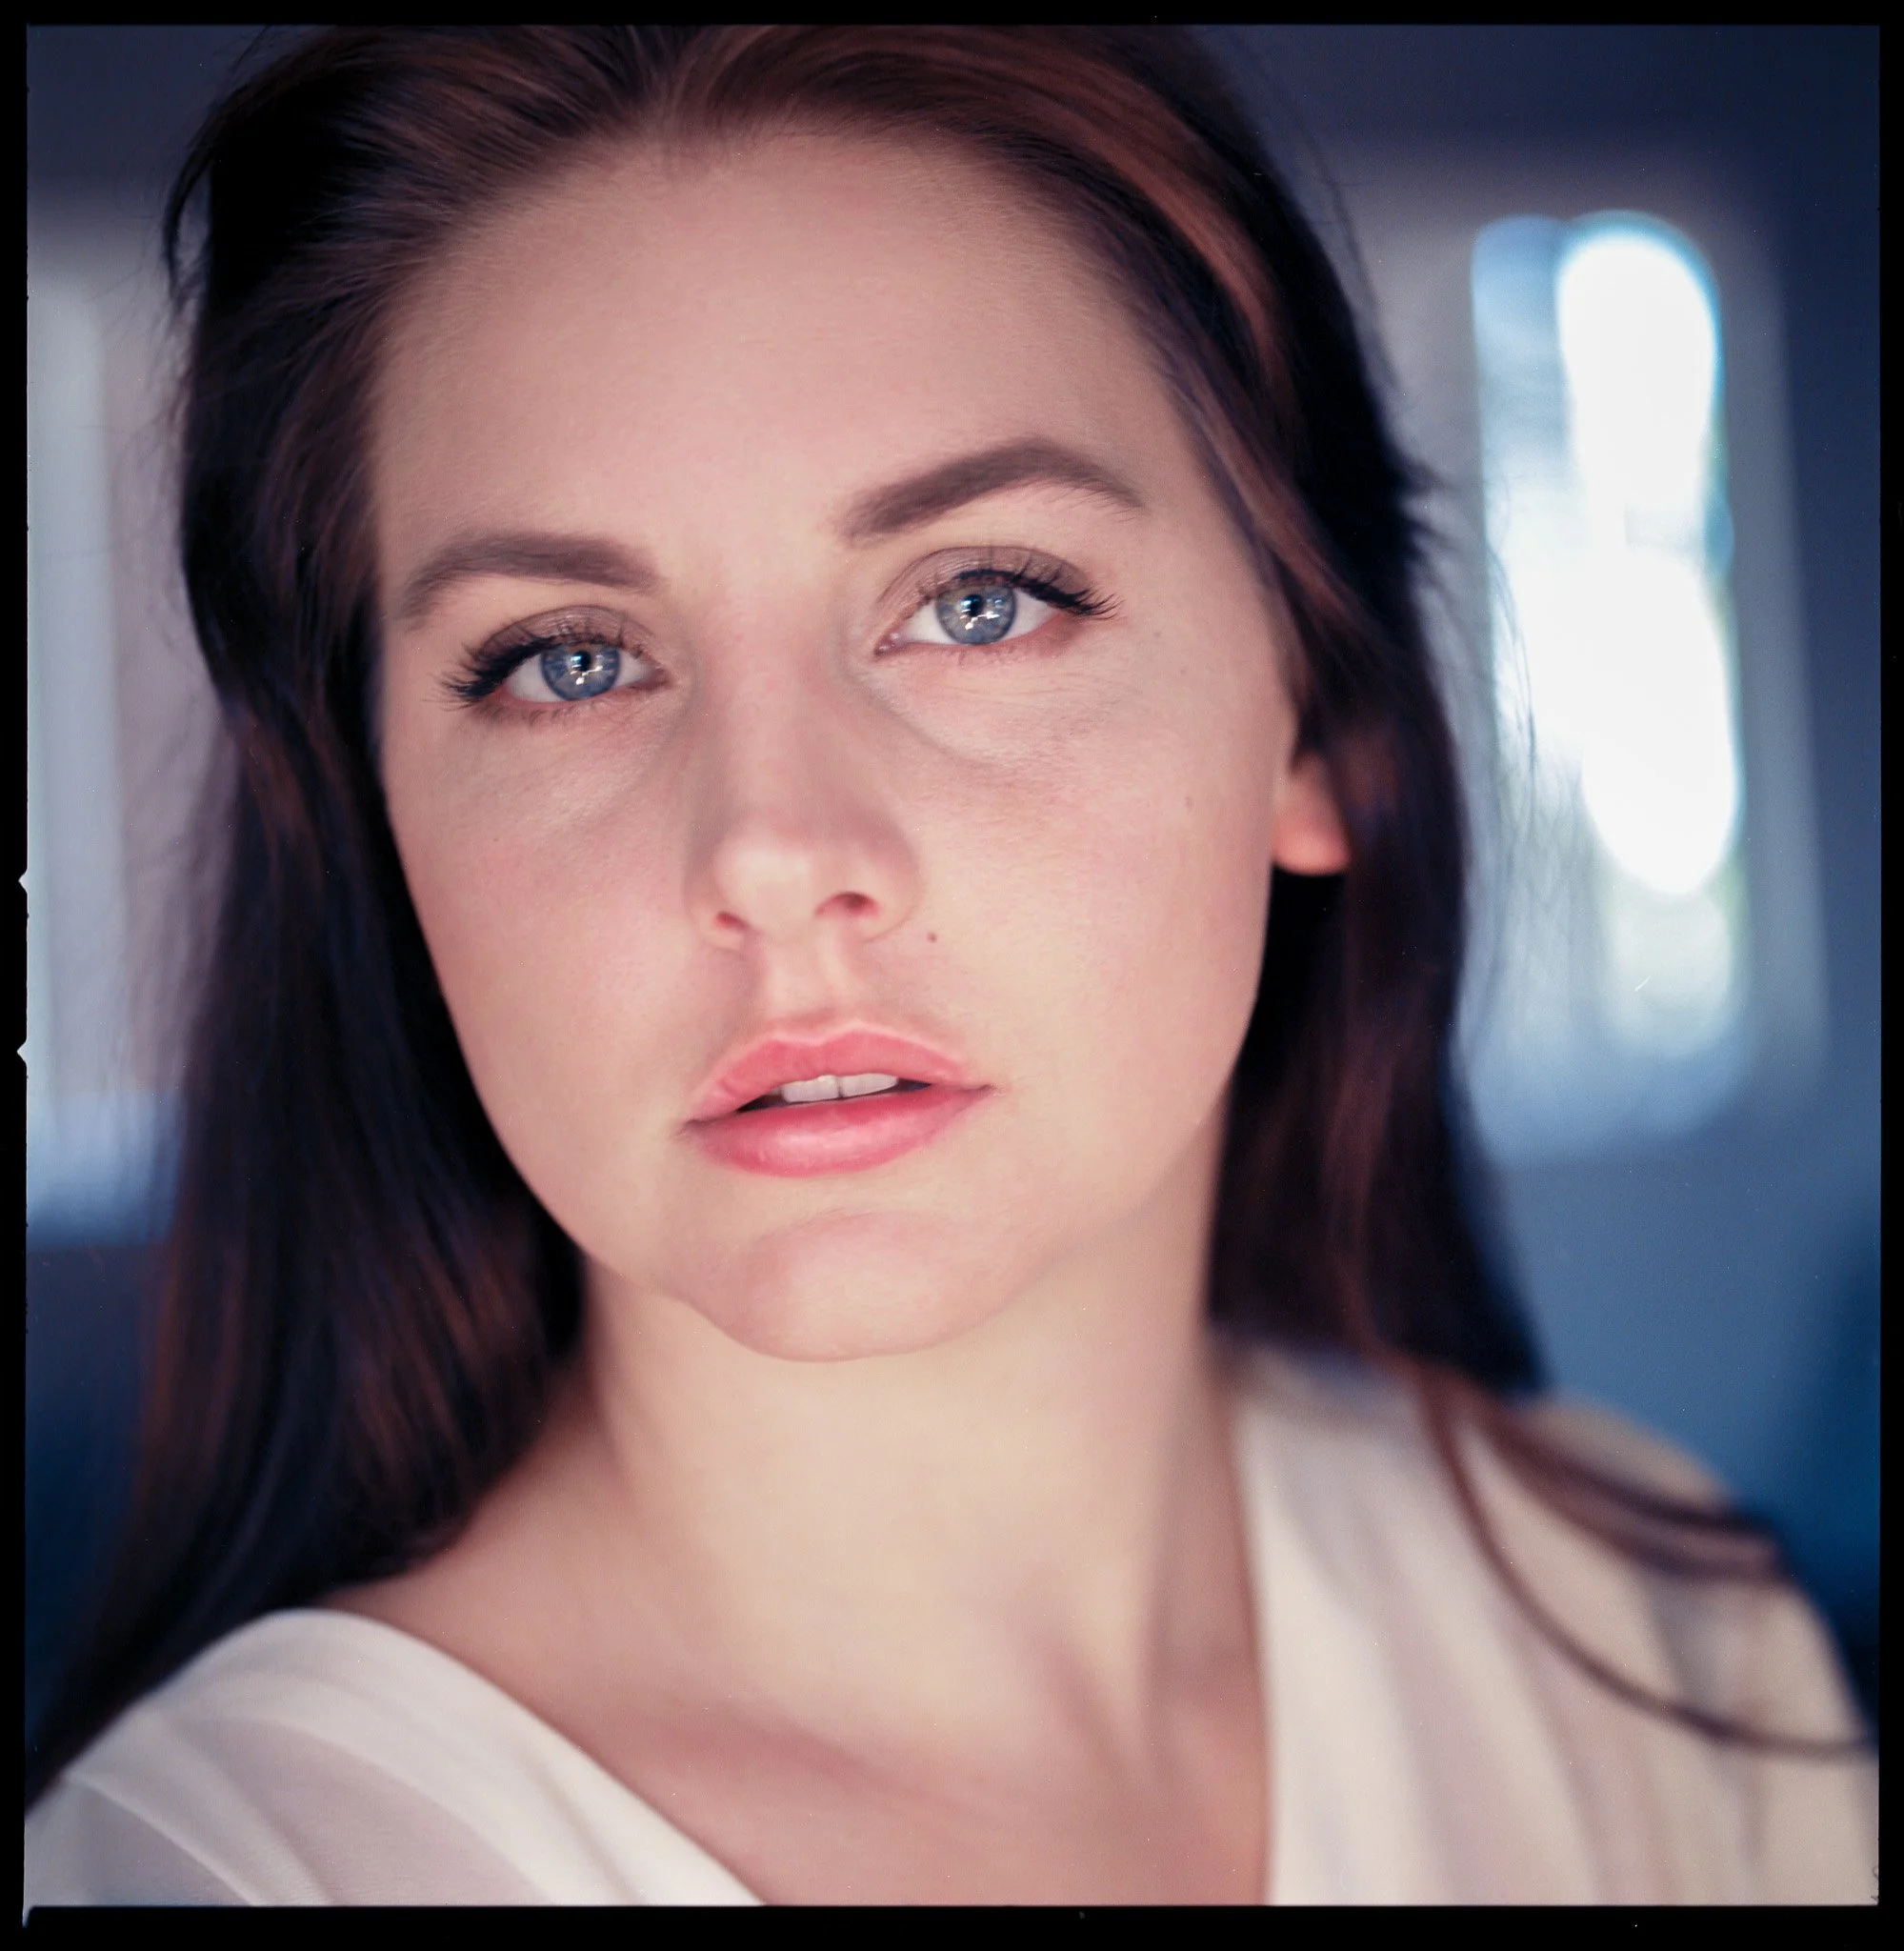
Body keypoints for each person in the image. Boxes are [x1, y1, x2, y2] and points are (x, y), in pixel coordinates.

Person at [23, 26, 1874, 1906]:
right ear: (386, 823)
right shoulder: (218, 1874)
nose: (768, 847)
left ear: (1320, 726)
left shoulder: (1657, 1658)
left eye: (979, 602)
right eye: (568, 659)